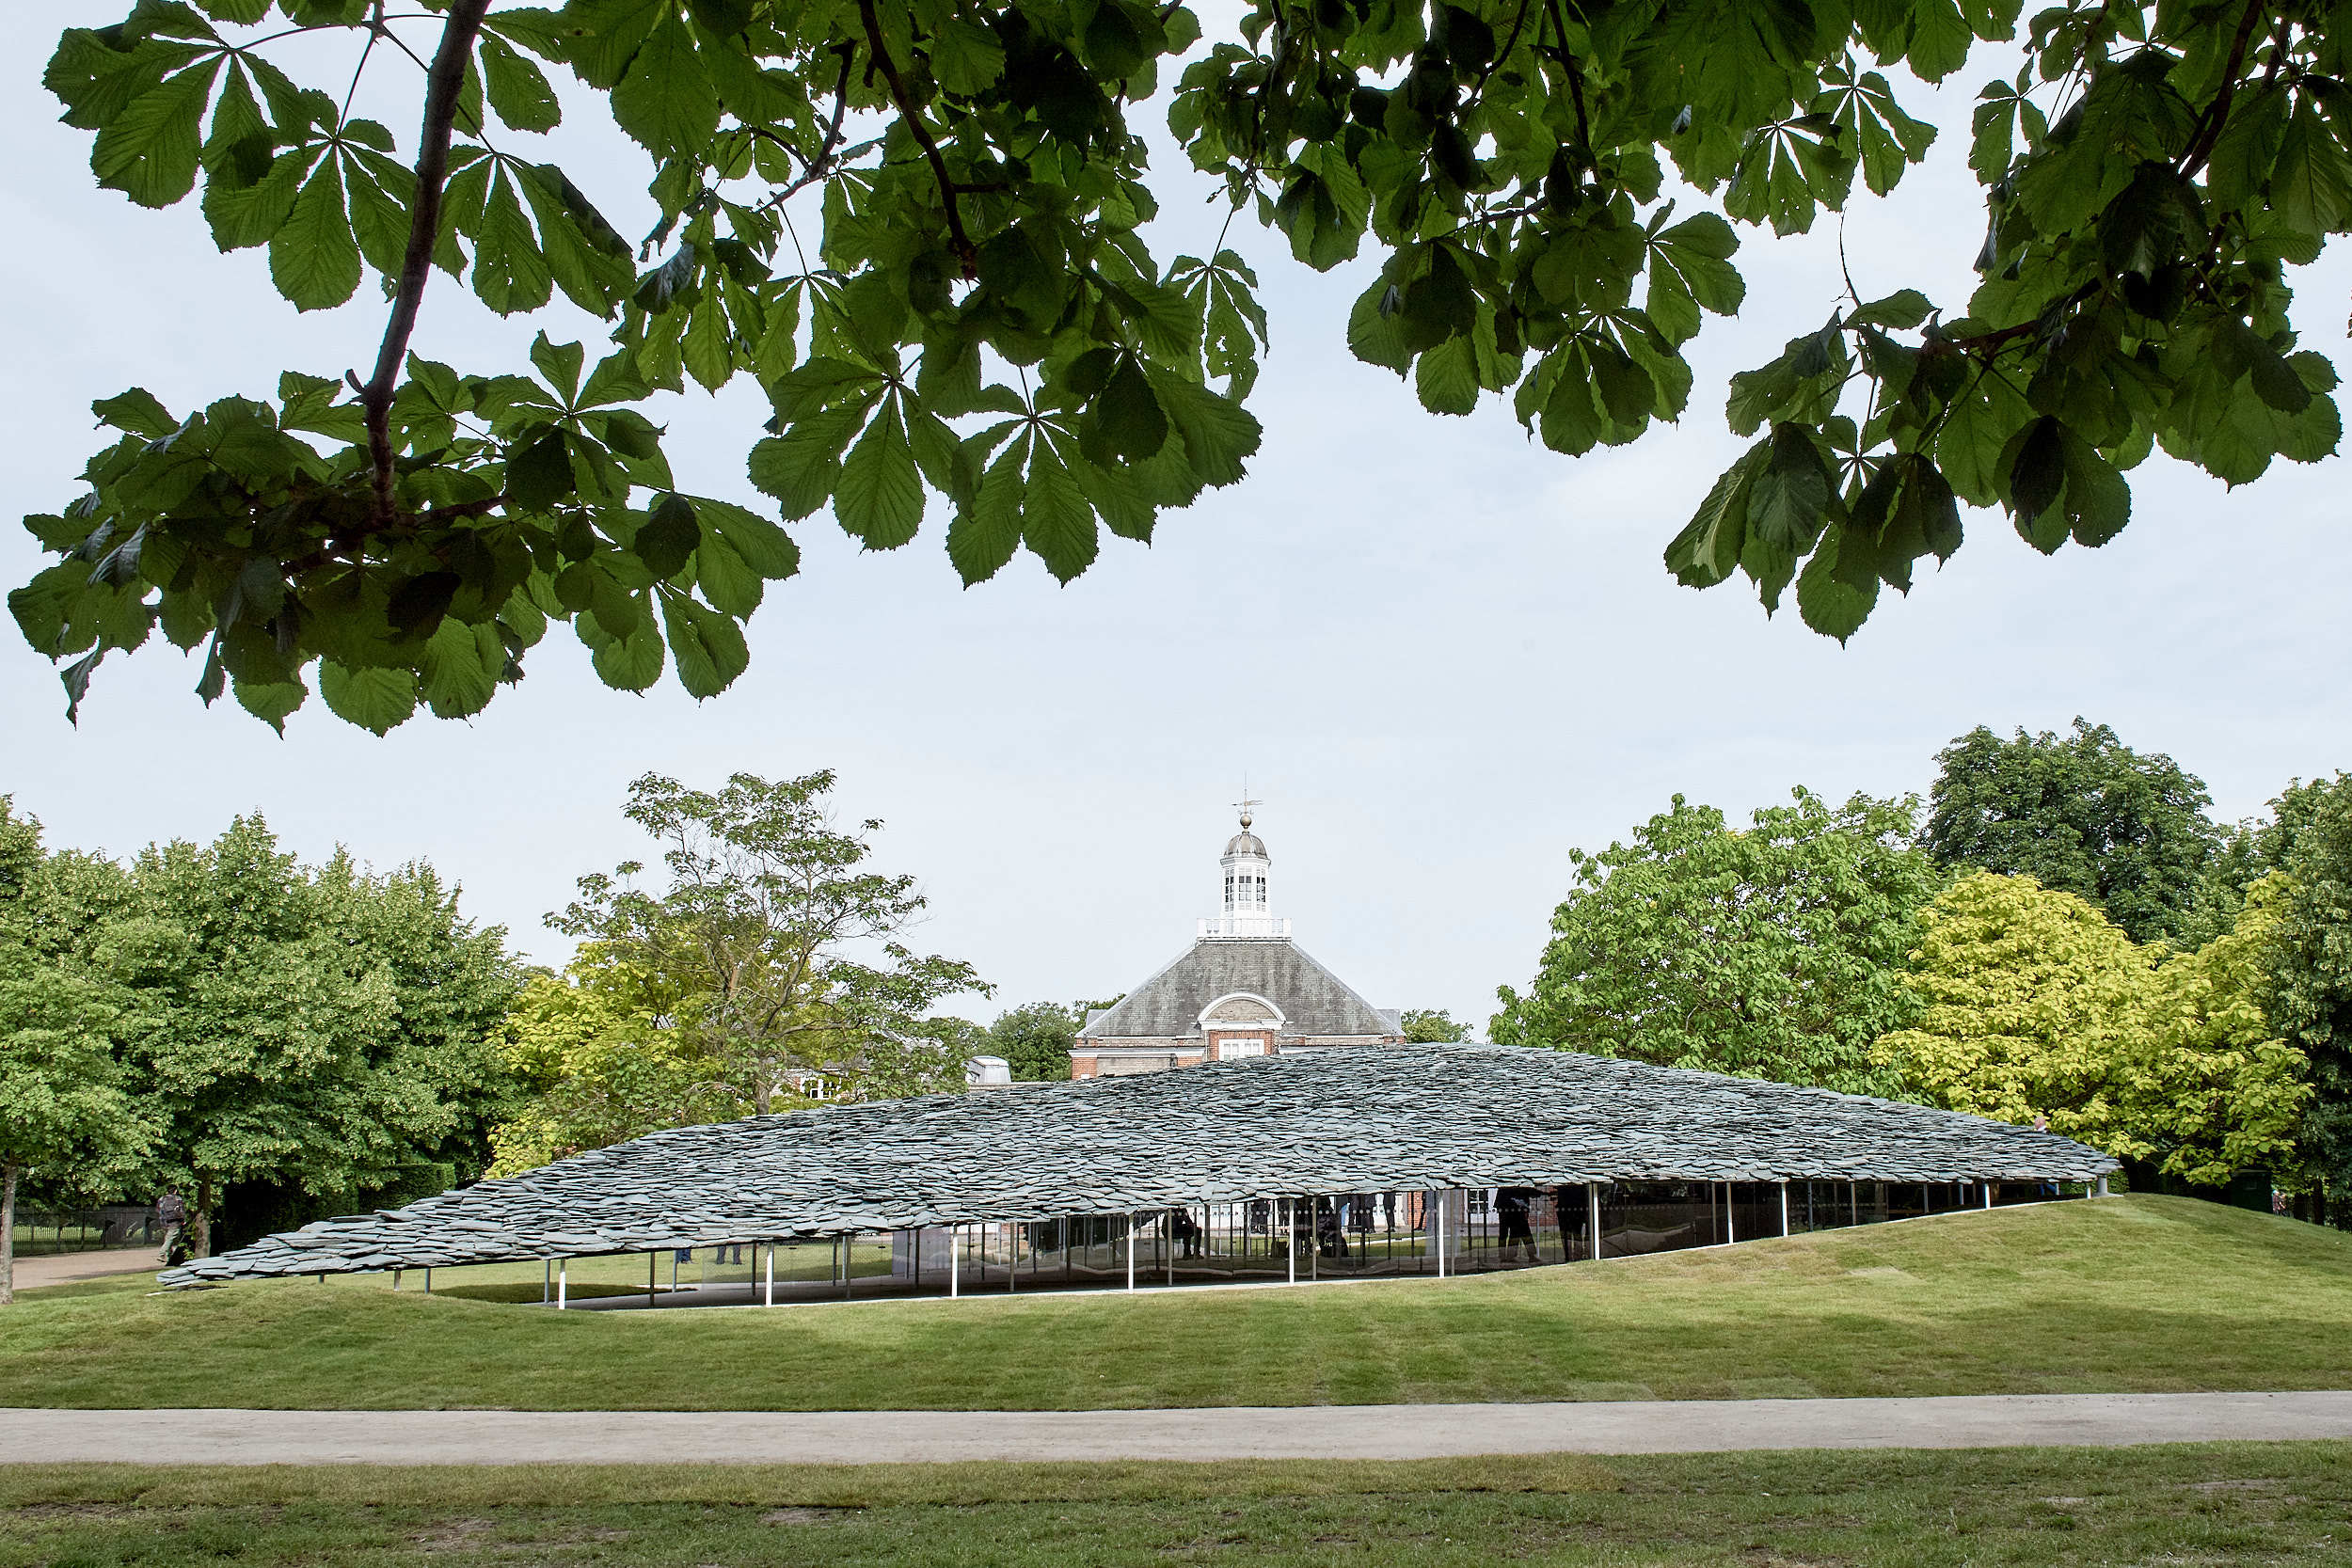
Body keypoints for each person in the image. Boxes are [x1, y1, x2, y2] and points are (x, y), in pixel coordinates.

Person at [1496, 1186, 1536, 1265]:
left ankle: (1508, 1256)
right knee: (1513, 1232)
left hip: (1510, 1206)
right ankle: (1505, 1256)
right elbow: (1526, 1191)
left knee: (1514, 1233)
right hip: (1511, 1207)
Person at [154, 1190, 187, 1266]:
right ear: (175, 1191)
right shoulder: (177, 1198)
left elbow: (158, 1210)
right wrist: (183, 1220)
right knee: (170, 1239)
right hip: (175, 1222)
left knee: (168, 1238)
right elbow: (181, 1210)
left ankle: (170, 1256)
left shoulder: (162, 1199)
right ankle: (161, 1254)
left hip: (164, 1222)